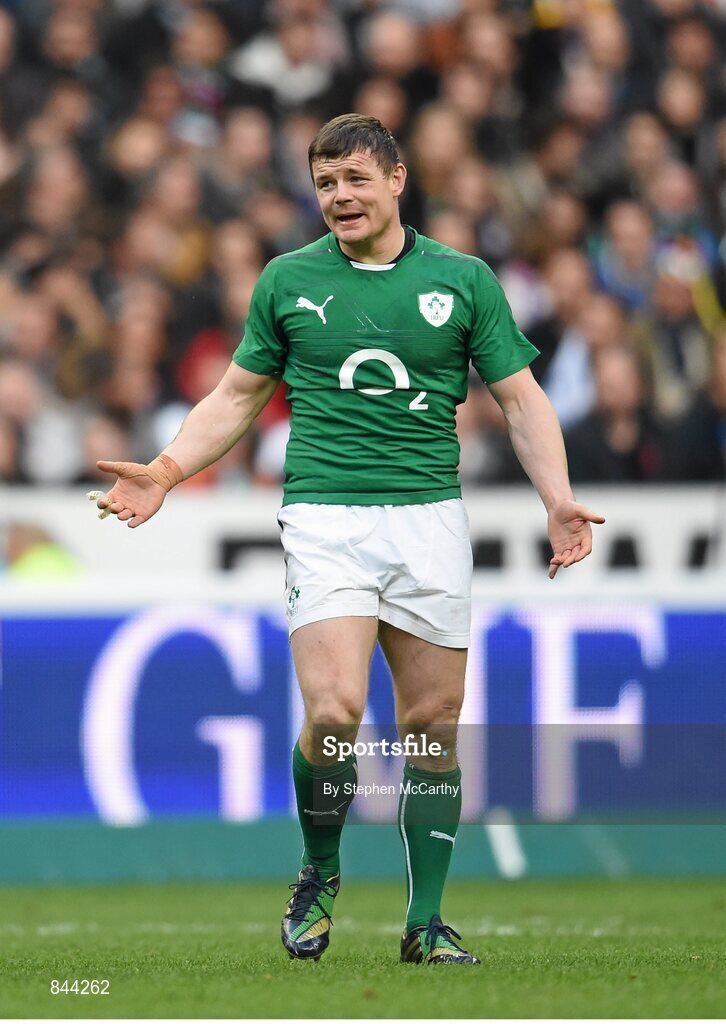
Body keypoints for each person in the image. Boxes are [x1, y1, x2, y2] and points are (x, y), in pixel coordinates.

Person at [91, 114, 605, 966]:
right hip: (327, 517)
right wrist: (167, 469)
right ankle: (320, 874)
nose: (339, 196)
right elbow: (234, 396)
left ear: (397, 180)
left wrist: (557, 498)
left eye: (355, 179)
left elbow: (519, 400)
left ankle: (425, 923)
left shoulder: (464, 279)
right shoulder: (288, 281)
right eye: (326, 184)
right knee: (334, 715)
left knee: (433, 726)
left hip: (430, 518)